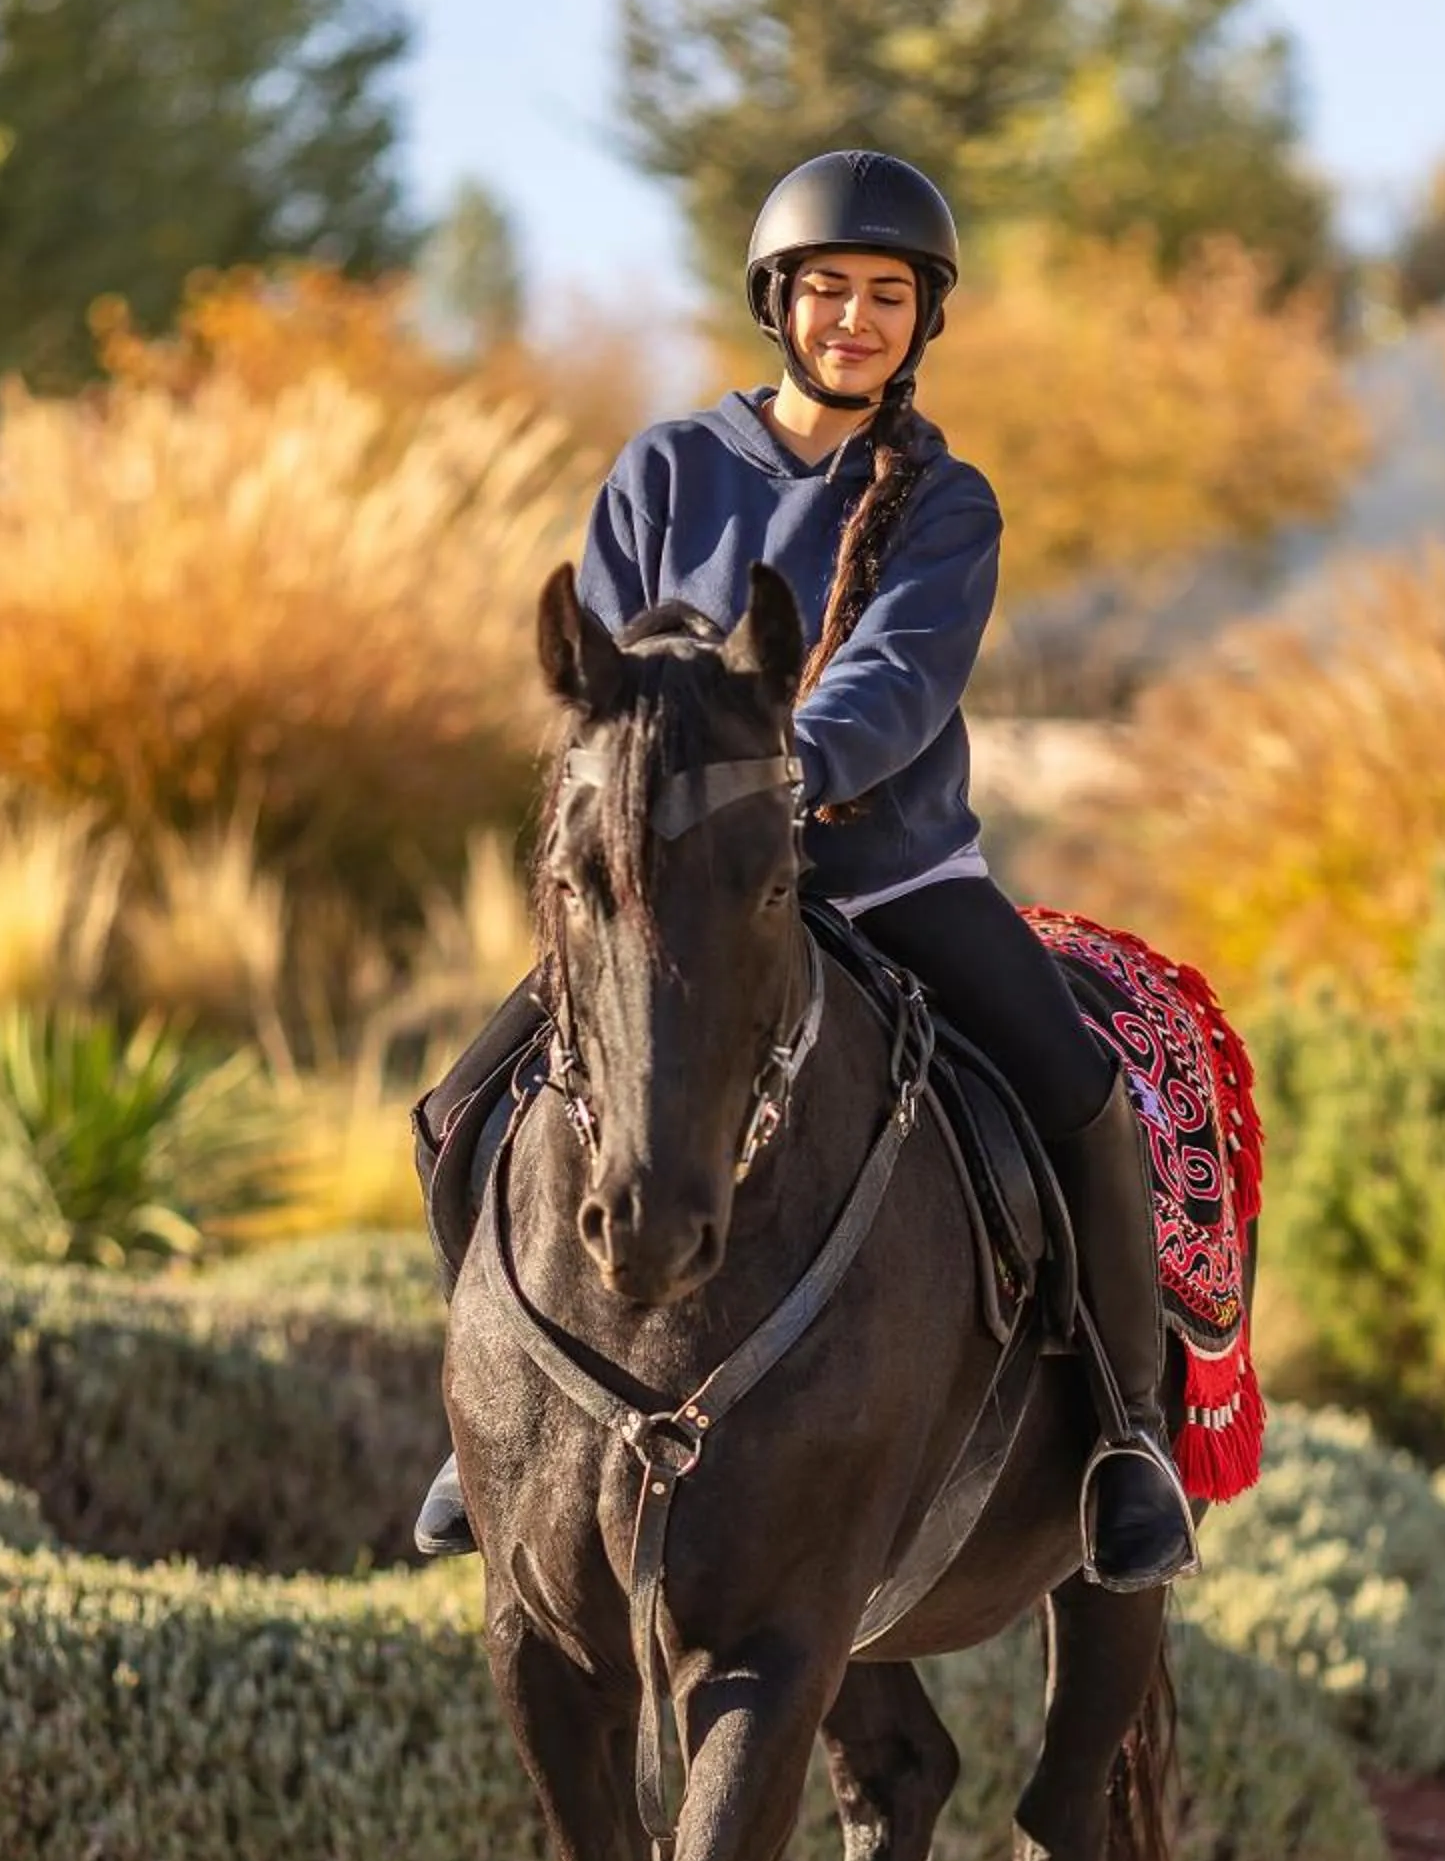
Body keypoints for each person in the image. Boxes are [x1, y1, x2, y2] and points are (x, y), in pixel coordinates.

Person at [413, 147, 1197, 1594]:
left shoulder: (945, 504)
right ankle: (488, 1429)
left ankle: (1127, 1445)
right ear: (779, 304)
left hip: (891, 878)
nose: (855, 318)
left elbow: (894, 687)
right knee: (458, 1111)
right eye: (827, 289)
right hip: (673, 901)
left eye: (886, 295)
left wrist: (784, 785)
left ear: (923, 318)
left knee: (1080, 1095)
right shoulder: (664, 472)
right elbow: (604, 683)